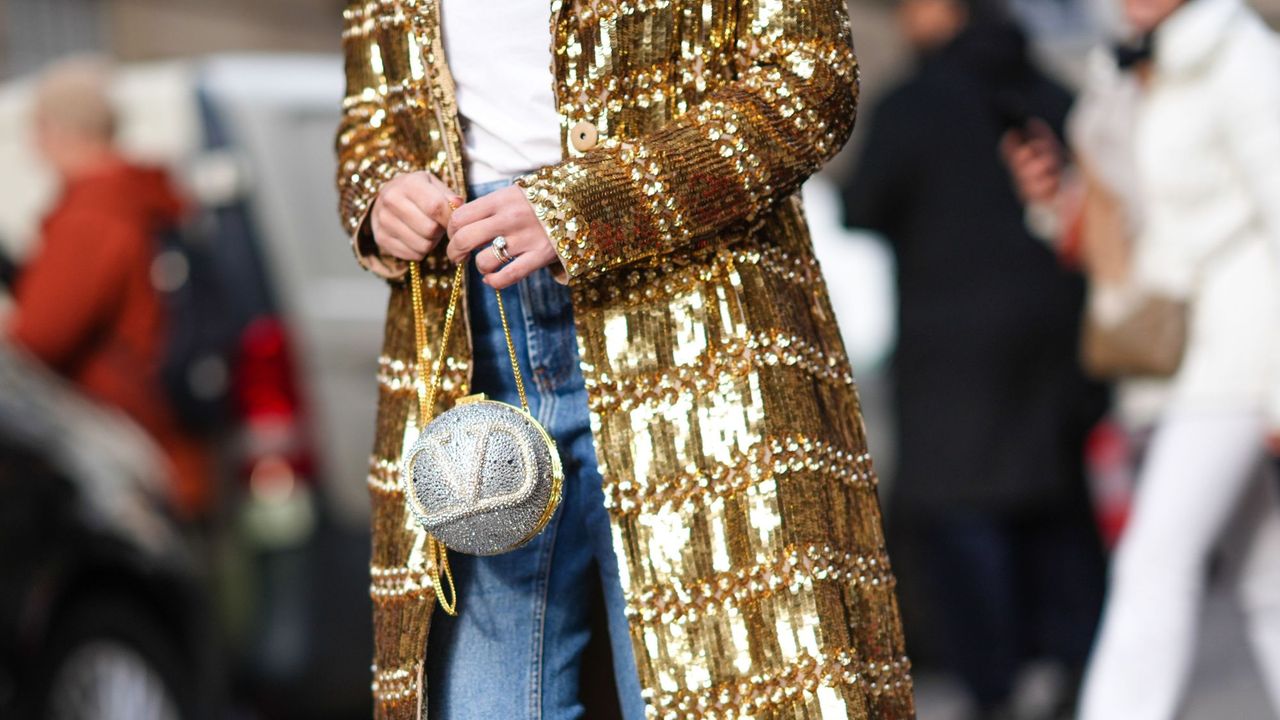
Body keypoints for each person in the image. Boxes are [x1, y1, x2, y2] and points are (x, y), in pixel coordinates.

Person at [335, 1, 915, 718]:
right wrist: (380, 195)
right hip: (467, 340)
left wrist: (588, 206)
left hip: (695, 333)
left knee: (718, 692)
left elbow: (808, 78)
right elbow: (369, 122)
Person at [1005, 0, 1280, 715]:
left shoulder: (1241, 53)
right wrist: (1053, 201)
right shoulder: (1122, 61)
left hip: (1246, 351)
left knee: (1154, 562)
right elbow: (1123, 216)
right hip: (1179, 354)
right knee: (1266, 579)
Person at [840, 0, 1108, 716]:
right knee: (1057, 503)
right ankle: (1074, 666)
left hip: (949, 350)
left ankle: (999, 683)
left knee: (963, 517)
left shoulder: (915, 104)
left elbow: (863, 204)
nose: (902, 18)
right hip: (1055, 338)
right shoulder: (1050, 90)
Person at [4, 58, 212, 521]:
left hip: (123, 438)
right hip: (161, 430)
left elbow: (39, 339)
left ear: (53, 128)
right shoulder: (137, 193)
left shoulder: (91, 214)